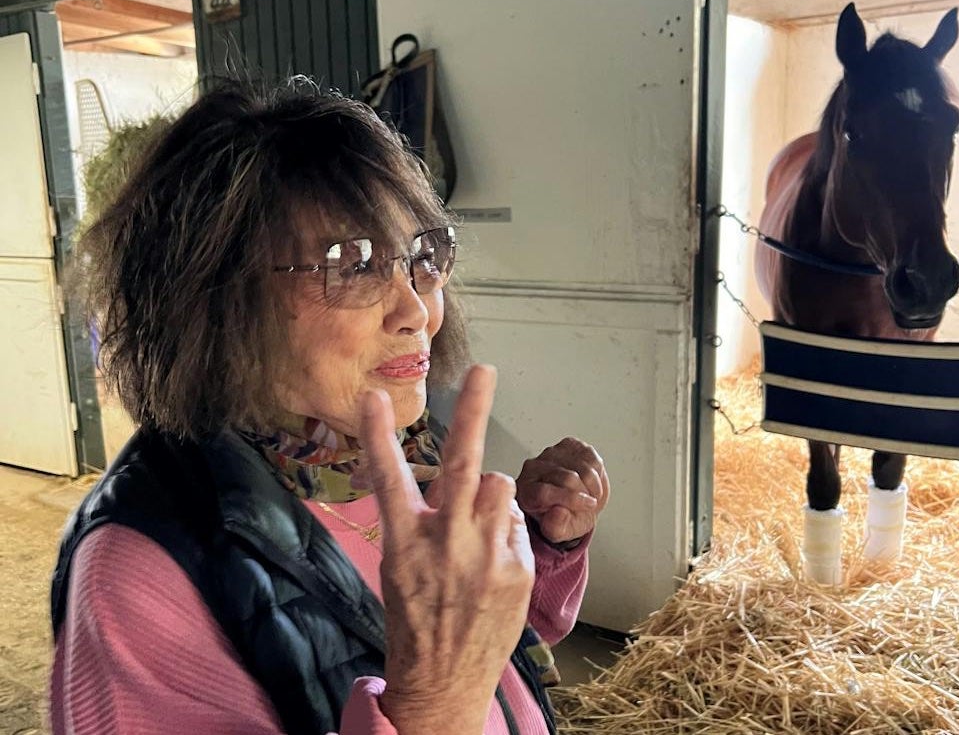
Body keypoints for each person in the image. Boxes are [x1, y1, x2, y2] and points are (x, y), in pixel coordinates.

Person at [50, 78, 610, 735]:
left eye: (421, 258)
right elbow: (454, 674)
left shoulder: (394, 452)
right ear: (218, 300)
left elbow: (495, 650)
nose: (418, 311)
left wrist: (544, 549)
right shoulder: (139, 582)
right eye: (351, 264)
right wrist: (434, 706)